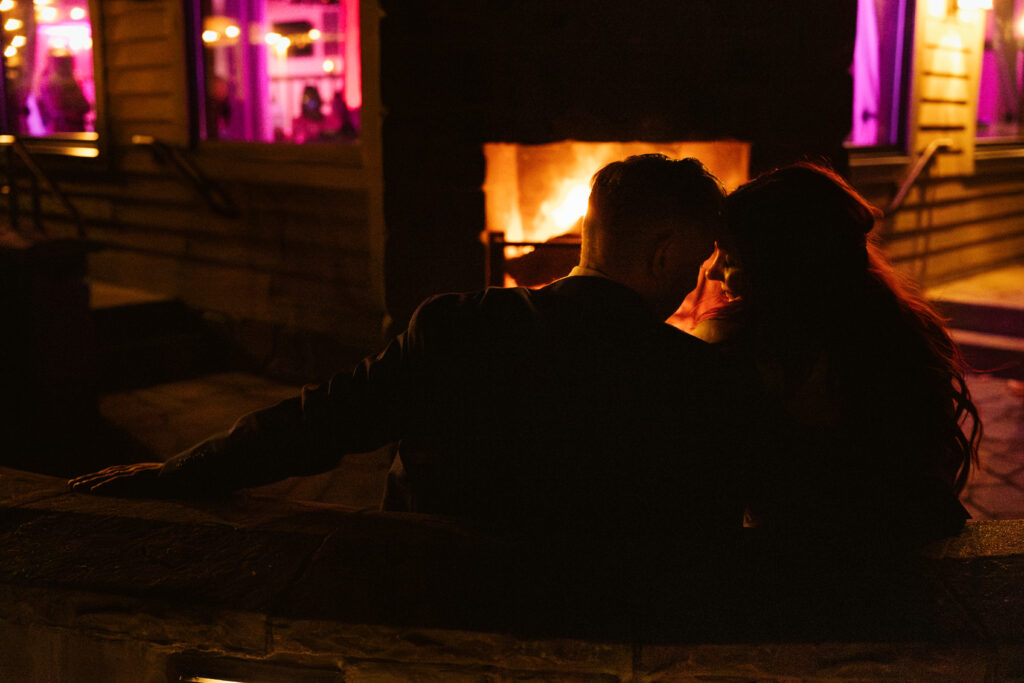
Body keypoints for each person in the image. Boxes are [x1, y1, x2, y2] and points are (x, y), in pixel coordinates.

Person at [69, 154, 756, 544]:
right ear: (663, 253)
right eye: (698, 267)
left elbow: (317, 423)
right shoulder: (695, 377)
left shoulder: (459, 326)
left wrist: (175, 473)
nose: (701, 283)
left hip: (436, 605)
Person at [689, 162, 981, 547]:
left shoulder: (728, 348)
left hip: (824, 567)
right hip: (900, 553)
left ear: (779, 267)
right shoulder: (906, 335)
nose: (711, 273)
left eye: (728, 256)